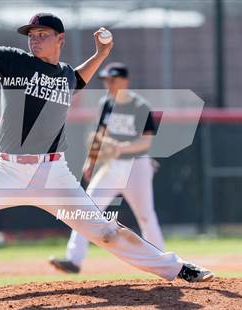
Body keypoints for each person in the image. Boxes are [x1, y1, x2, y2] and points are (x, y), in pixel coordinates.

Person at [0, 13, 214, 306]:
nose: (34, 38)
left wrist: (101, 54)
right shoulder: (14, 61)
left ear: (60, 39)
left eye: (42, 33)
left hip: (53, 177)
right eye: (31, 34)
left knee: (104, 231)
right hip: (7, 171)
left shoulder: (66, 76)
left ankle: (177, 267)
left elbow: (79, 78)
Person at [50, 62, 165, 274]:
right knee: (85, 210)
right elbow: (100, 136)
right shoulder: (106, 104)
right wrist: (91, 161)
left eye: (113, 80)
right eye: (106, 81)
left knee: (146, 215)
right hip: (111, 166)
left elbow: (146, 142)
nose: (109, 84)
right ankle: (73, 260)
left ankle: (162, 262)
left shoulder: (140, 106)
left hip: (136, 165)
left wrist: (120, 147)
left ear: (124, 81)